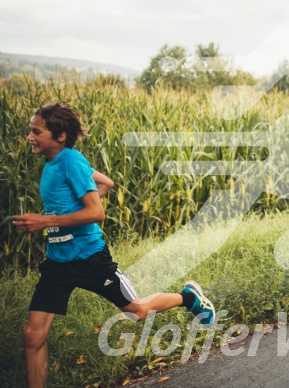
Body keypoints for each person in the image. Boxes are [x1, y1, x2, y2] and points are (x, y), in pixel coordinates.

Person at [12, 103, 215, 388]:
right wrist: (63, 213)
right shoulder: (57, 161)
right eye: (30, 131)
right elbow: (106, 183)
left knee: (136, 311)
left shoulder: (70, 161)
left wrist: (45, 221)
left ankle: (189, 298)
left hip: (89, 258)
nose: (30, 137)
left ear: (59, 136)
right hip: (57, 262)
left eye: (36, 131)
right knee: (33, 335)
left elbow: (97, 213)